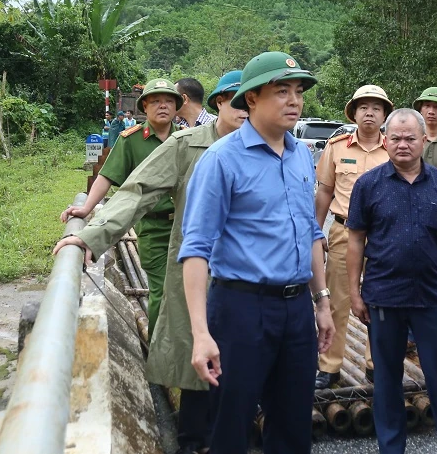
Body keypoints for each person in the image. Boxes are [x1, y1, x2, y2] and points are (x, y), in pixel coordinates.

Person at [53, 70, 247, 454]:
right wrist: (91, 233)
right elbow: (134, 190)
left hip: (248, 275)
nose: (244, 109)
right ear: (219, 103)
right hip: (194, 262)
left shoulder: (272, 148)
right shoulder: (187, 145)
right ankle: (193, 438)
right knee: (192, 341)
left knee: (240, 354)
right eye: (236, 101)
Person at [178, 51, 335, 454]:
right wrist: (200, 334)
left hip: (296, 310)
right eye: (281, 91)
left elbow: (311, 231)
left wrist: (321, 302)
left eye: (298, 91)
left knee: (294, 424)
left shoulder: (302, 154)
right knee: (231, 425)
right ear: (251, 99)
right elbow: (195, 249)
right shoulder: (222, 159)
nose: (294, 100)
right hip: (240, 310)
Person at [345, 108, 437, 454]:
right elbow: (355, 239)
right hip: (384, 296)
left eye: (411, 138)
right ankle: (391, 448)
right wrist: (354, 291)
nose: (403, 144)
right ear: (385, 140)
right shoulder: (368, 184)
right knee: (387, 380)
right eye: (395, 138)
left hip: (432, 297)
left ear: (425, 140)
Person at [60, 77, 182, 339]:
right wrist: (86, 208)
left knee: (187, 289)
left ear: (177, 107)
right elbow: (107, 176)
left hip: (187, 225)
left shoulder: (186, 139)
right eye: (156, 101)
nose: (163, 106)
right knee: (161, 290)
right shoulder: (131, 140)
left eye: (169, 101)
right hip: (153, 226)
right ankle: (160, 352)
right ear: (145, 107)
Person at [313, 84, 393, 389]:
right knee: (337, 300)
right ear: (354, 113)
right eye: (363, 107)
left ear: (385, 114)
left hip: (384, 235)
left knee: (382, 300)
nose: (369, 112)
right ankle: (330, 366)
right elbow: (324, 192)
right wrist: (315, 232)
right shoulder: (337, 147)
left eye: (376, 107)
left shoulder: (394, 149)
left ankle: (377, 364)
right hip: (344, 231)